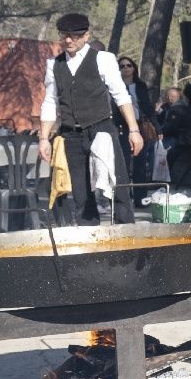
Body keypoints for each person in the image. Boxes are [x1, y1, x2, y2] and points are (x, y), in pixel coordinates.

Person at [38, 12, 143, 224]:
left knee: (118, 186)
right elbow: (50, 102)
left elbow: (121, 95)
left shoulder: (103, 59)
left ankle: (129, 239)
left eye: (74, 35)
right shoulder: (54, 64)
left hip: (101, 128)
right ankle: (91, 240)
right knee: (80, 193)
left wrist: (134, 130)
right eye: (64, 35)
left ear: (86, 36)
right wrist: (43, 138)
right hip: (71, 134)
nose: (68, 40)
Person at [117, 55, 157, 187]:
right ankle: (124, 196)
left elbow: (147, 107)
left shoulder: (140, 86)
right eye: (122, 66)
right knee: (123, 163)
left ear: (134, 68)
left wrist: (157, 127)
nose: (126, 68)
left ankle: (140, 196)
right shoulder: (115, 86)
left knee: (140, 162)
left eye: (129, 65)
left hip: (140, 126)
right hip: (121, 127)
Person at [160, 83, 191, 189]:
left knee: (168, 155)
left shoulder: (189, 108)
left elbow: (174, 126)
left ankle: (165, 180)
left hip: (190, 141)